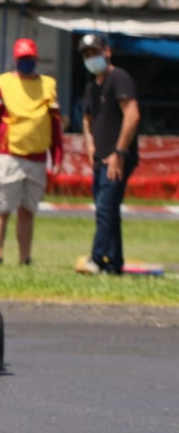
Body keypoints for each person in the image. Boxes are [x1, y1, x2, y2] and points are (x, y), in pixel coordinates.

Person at [0, 37, 64, 265]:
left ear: (35, 59)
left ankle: (24, 258)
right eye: (22, 59)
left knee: (28, 210)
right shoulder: (3, 83)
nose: (26, 63)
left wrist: (57, 156)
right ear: (15, 60)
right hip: (9, 155)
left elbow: (55, 124)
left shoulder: (48, 85)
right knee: (2, 207)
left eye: (29, 59)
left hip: (37, 157)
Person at [78, 33, 140, 275]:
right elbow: (87, 119)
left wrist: (119, 152)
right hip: (101, 157)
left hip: (117, 157)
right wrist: (90, 145)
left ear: (107, 51)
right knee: (108, 209)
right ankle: (113, 263)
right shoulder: (92, 86)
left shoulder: (120, 78)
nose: (91, 58)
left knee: (105, 207)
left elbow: (132, 115)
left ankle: (96, 258)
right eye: (86, 55)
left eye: (94, 52)